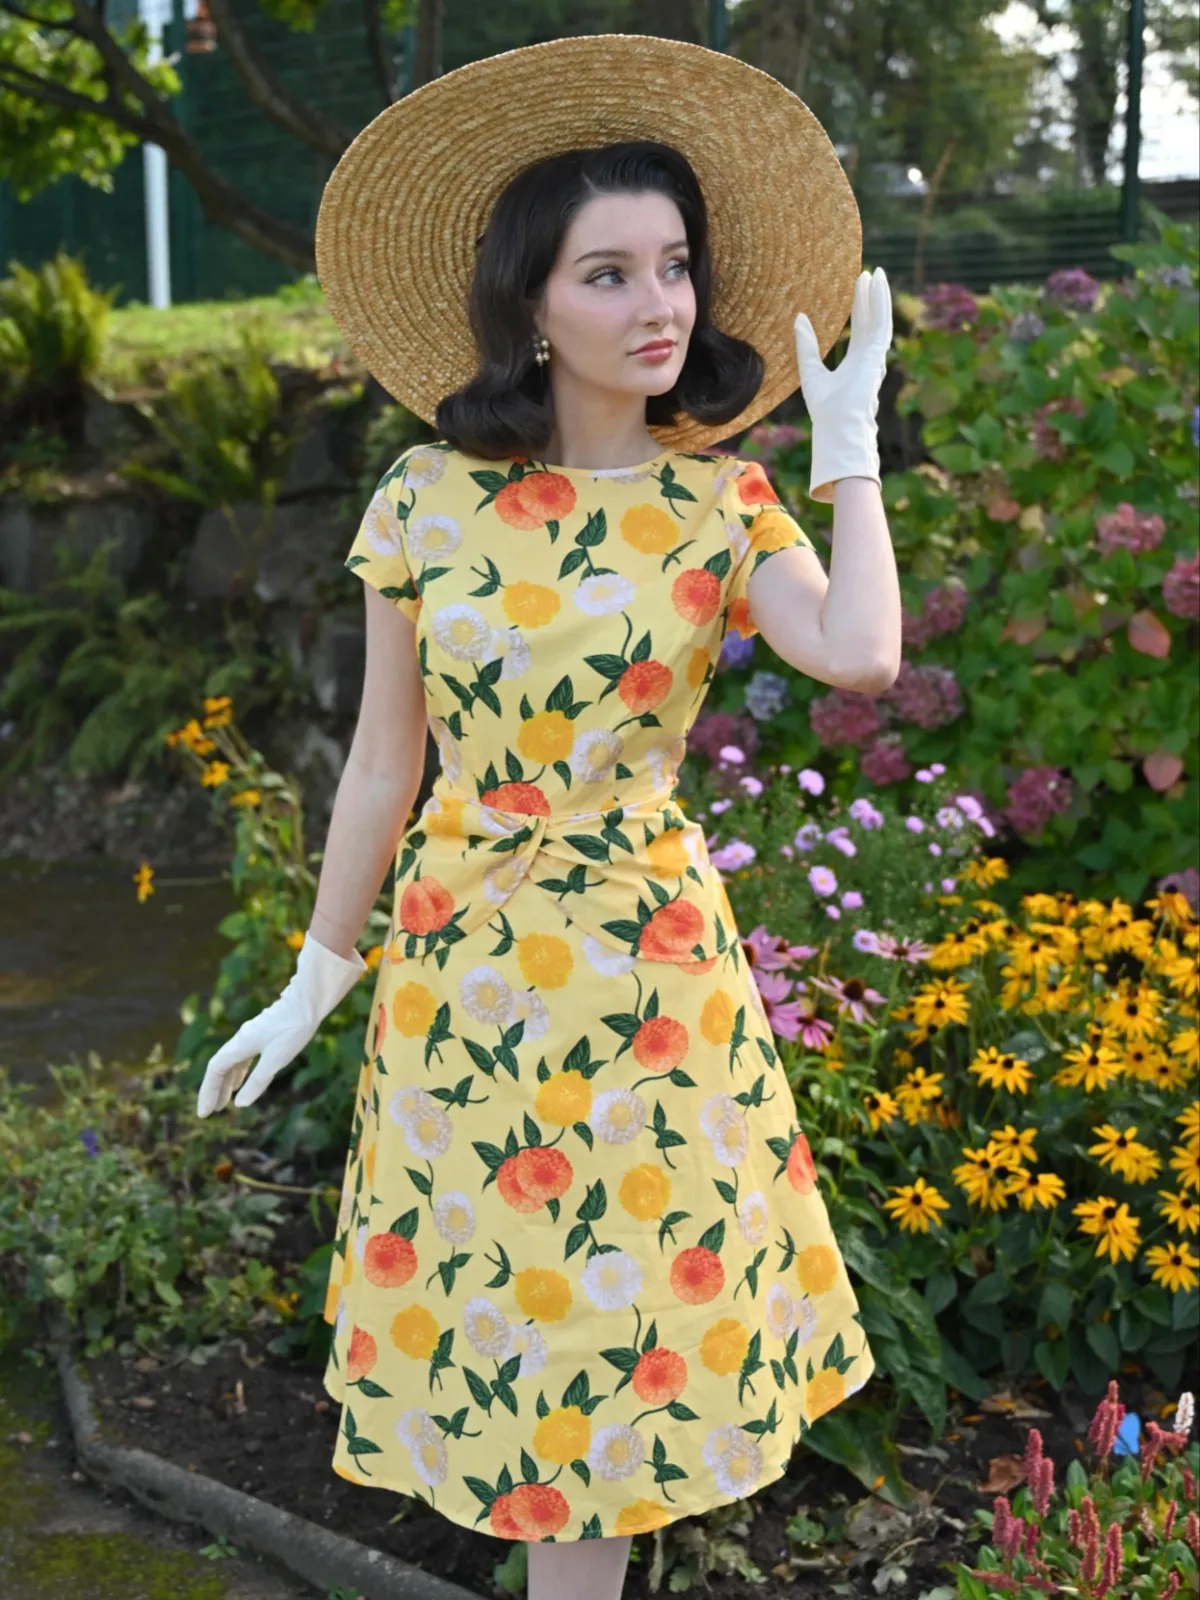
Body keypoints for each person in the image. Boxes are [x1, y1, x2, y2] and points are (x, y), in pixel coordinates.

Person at [195, 34, 901, 1600]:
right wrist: (316, 976)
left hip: (649, 980)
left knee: (625, 1344)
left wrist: (846, 455)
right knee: (514, 1341)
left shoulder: (721, 505)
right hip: (463, 975)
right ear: (529, 305)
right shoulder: (425, 501)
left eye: (677, 266)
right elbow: (383, 764)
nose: (661, 305)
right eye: (610, 274)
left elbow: (860, 655)